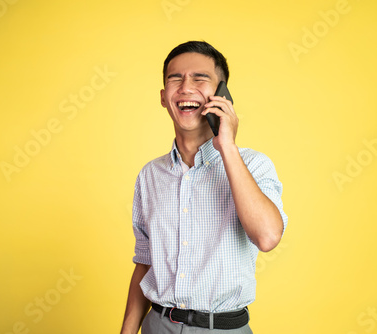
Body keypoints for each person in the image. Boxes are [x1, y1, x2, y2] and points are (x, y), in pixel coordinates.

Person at [121, 41, 288, 334]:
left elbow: (267, 236)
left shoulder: (253, 164)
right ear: (164, 97)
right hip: (157, 325)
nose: (186, 87)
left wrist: (227, 146)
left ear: (221, 94)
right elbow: (145, 263)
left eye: (200, 78)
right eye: (176, 78)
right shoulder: (150, 175)